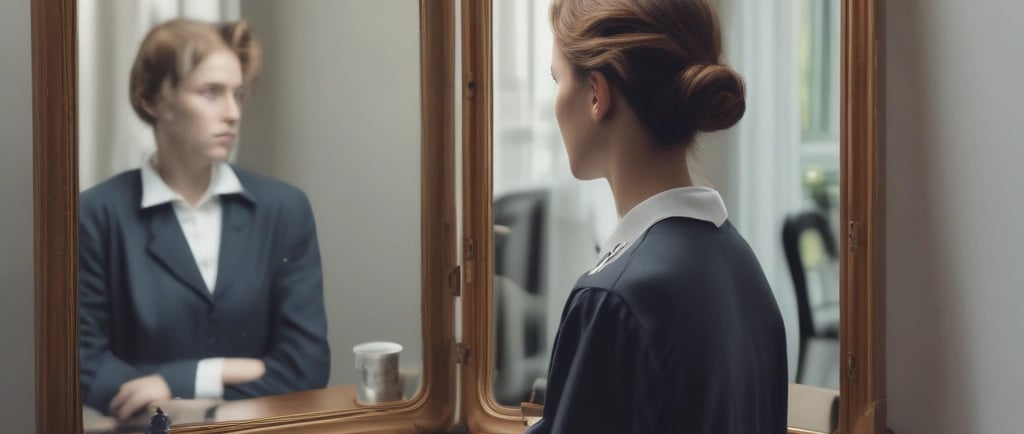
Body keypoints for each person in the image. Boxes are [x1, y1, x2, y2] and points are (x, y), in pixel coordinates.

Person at [526, 0, 788, 433]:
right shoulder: (743, 269)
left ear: (596, 93)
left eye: (557, 78)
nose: (555, 100)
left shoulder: (615, 302)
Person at [79, 18, 330, 421]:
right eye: (211, 93)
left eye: (238, 94)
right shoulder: (97, 214)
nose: (232, 113)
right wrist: (228, 372)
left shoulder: (284, 208)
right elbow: (85, 366)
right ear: (151, 99)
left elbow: (306, 368)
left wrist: (174, 384)